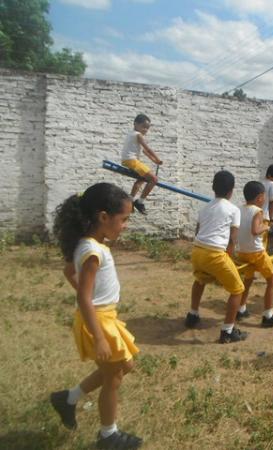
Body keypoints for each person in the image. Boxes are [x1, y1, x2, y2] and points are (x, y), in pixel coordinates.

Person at [50, 183, 142, 449]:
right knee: (113, 376)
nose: (125, 225)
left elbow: (69, 272)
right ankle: (108, 435)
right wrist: (99, 337)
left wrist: (90, 299)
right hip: (100, 320)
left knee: (123, 367)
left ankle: (68, 398)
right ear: (103, 217)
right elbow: (83, 298)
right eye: (123, 220)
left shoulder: (90, 244)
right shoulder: (92, 251)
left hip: (105, 316)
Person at [184, 170, 247, 344]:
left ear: (213, 188)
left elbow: (198, 231)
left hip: (197, 251)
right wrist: (230, 261)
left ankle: (193, 314)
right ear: (232, 190)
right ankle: (227, 331)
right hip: (215, 254)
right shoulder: (234, 209)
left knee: (200, 280)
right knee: (238, 290)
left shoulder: (205, 207)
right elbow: (232, 239)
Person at [236, 181, 273, 327]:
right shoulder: (258, 211)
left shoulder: (239, 209)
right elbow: (255, 231)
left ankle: (241, 308)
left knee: (248, 280)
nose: (264, 199)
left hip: (242, 252)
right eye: (264, 197)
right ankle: (268, 315)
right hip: (256, 253)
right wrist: (266, 226)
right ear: (259, 198)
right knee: (272, 280)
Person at [121, 114, 163, 215]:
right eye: (143, 127)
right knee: (154, 179)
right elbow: (148, 149)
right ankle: (139, 202)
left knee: (141, 179)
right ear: (135, 124)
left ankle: (130, 200)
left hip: (127, 160)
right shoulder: (138, 135)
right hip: (132, 160)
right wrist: (158, 159)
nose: (145, 130)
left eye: (147, 128)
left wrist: (154, 161)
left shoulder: (131, 134)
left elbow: (144, 151)